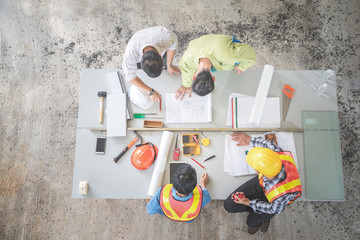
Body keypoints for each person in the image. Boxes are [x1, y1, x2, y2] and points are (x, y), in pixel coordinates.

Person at [224, 132, 302, 235]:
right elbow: (268, 144)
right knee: (229, 205)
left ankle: (262, 217)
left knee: (251, 222)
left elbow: (274, 209)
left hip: (273, 198)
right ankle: (256, 209)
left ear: (258, 171)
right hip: (263, 185)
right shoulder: (276, 153)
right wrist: (249, 139)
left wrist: (248, 202)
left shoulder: (282, 195)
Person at [175, 34, 256, 100]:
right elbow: (186, 70)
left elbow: (251, 54)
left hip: (222, 47)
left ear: (214, 79)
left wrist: (242, 67)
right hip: (201, 44)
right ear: (194, 77)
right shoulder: (187, 60)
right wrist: (186, 85)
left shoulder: (230, 57)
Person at [122, 26, 181, 109]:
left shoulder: (167, 37)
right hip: (139, 43)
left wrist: (169, 65)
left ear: (160, 56)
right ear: (140, 62)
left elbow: (172, 46)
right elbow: (130, 77)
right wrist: (150, 91)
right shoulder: (131, 56)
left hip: (158, 41)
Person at [147, 164, 211, 222]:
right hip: (189, 219)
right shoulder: (202, 197)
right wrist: (203, 183)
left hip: (171, 216)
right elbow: (207, 196)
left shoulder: (161, 192)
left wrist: (161, 210)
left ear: (173, 182)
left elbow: (150, 210)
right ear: (195, 185)